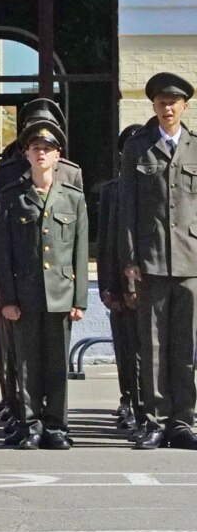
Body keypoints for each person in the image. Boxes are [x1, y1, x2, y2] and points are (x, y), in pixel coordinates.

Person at [0, 121, 88, 450]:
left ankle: (57, 427)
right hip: (25, 294)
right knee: (25, 364)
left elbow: (80, 251)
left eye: (47, 149)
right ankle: (29, 424)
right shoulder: (11, 197)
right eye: (36, 149)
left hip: (61, 294)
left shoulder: (73, 198)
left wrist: (80, 299)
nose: (41, 153)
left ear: (57, 156)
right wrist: (7, 297)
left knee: (57, 365)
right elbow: (1, 252)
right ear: (27, 154)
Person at [119, 72, 197, 450]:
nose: (167, 108)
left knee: (185, 348)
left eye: (174, 102)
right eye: (161, 102)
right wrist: (131, 258)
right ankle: (154, 421)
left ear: (185, 106)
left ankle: (183, 422)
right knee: (152, 347)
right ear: (153, 106)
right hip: (150, 260)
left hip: (191, 261)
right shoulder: (138, 147)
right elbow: (127, 208)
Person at [97, 124, 145, 437]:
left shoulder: (155, 186)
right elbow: (105, 244)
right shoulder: (113, 190)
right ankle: (129, 398)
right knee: (127, 349)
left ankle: (153, 406)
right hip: (119, 280)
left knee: (152, 350)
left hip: (153, 280)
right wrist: (107, 286)